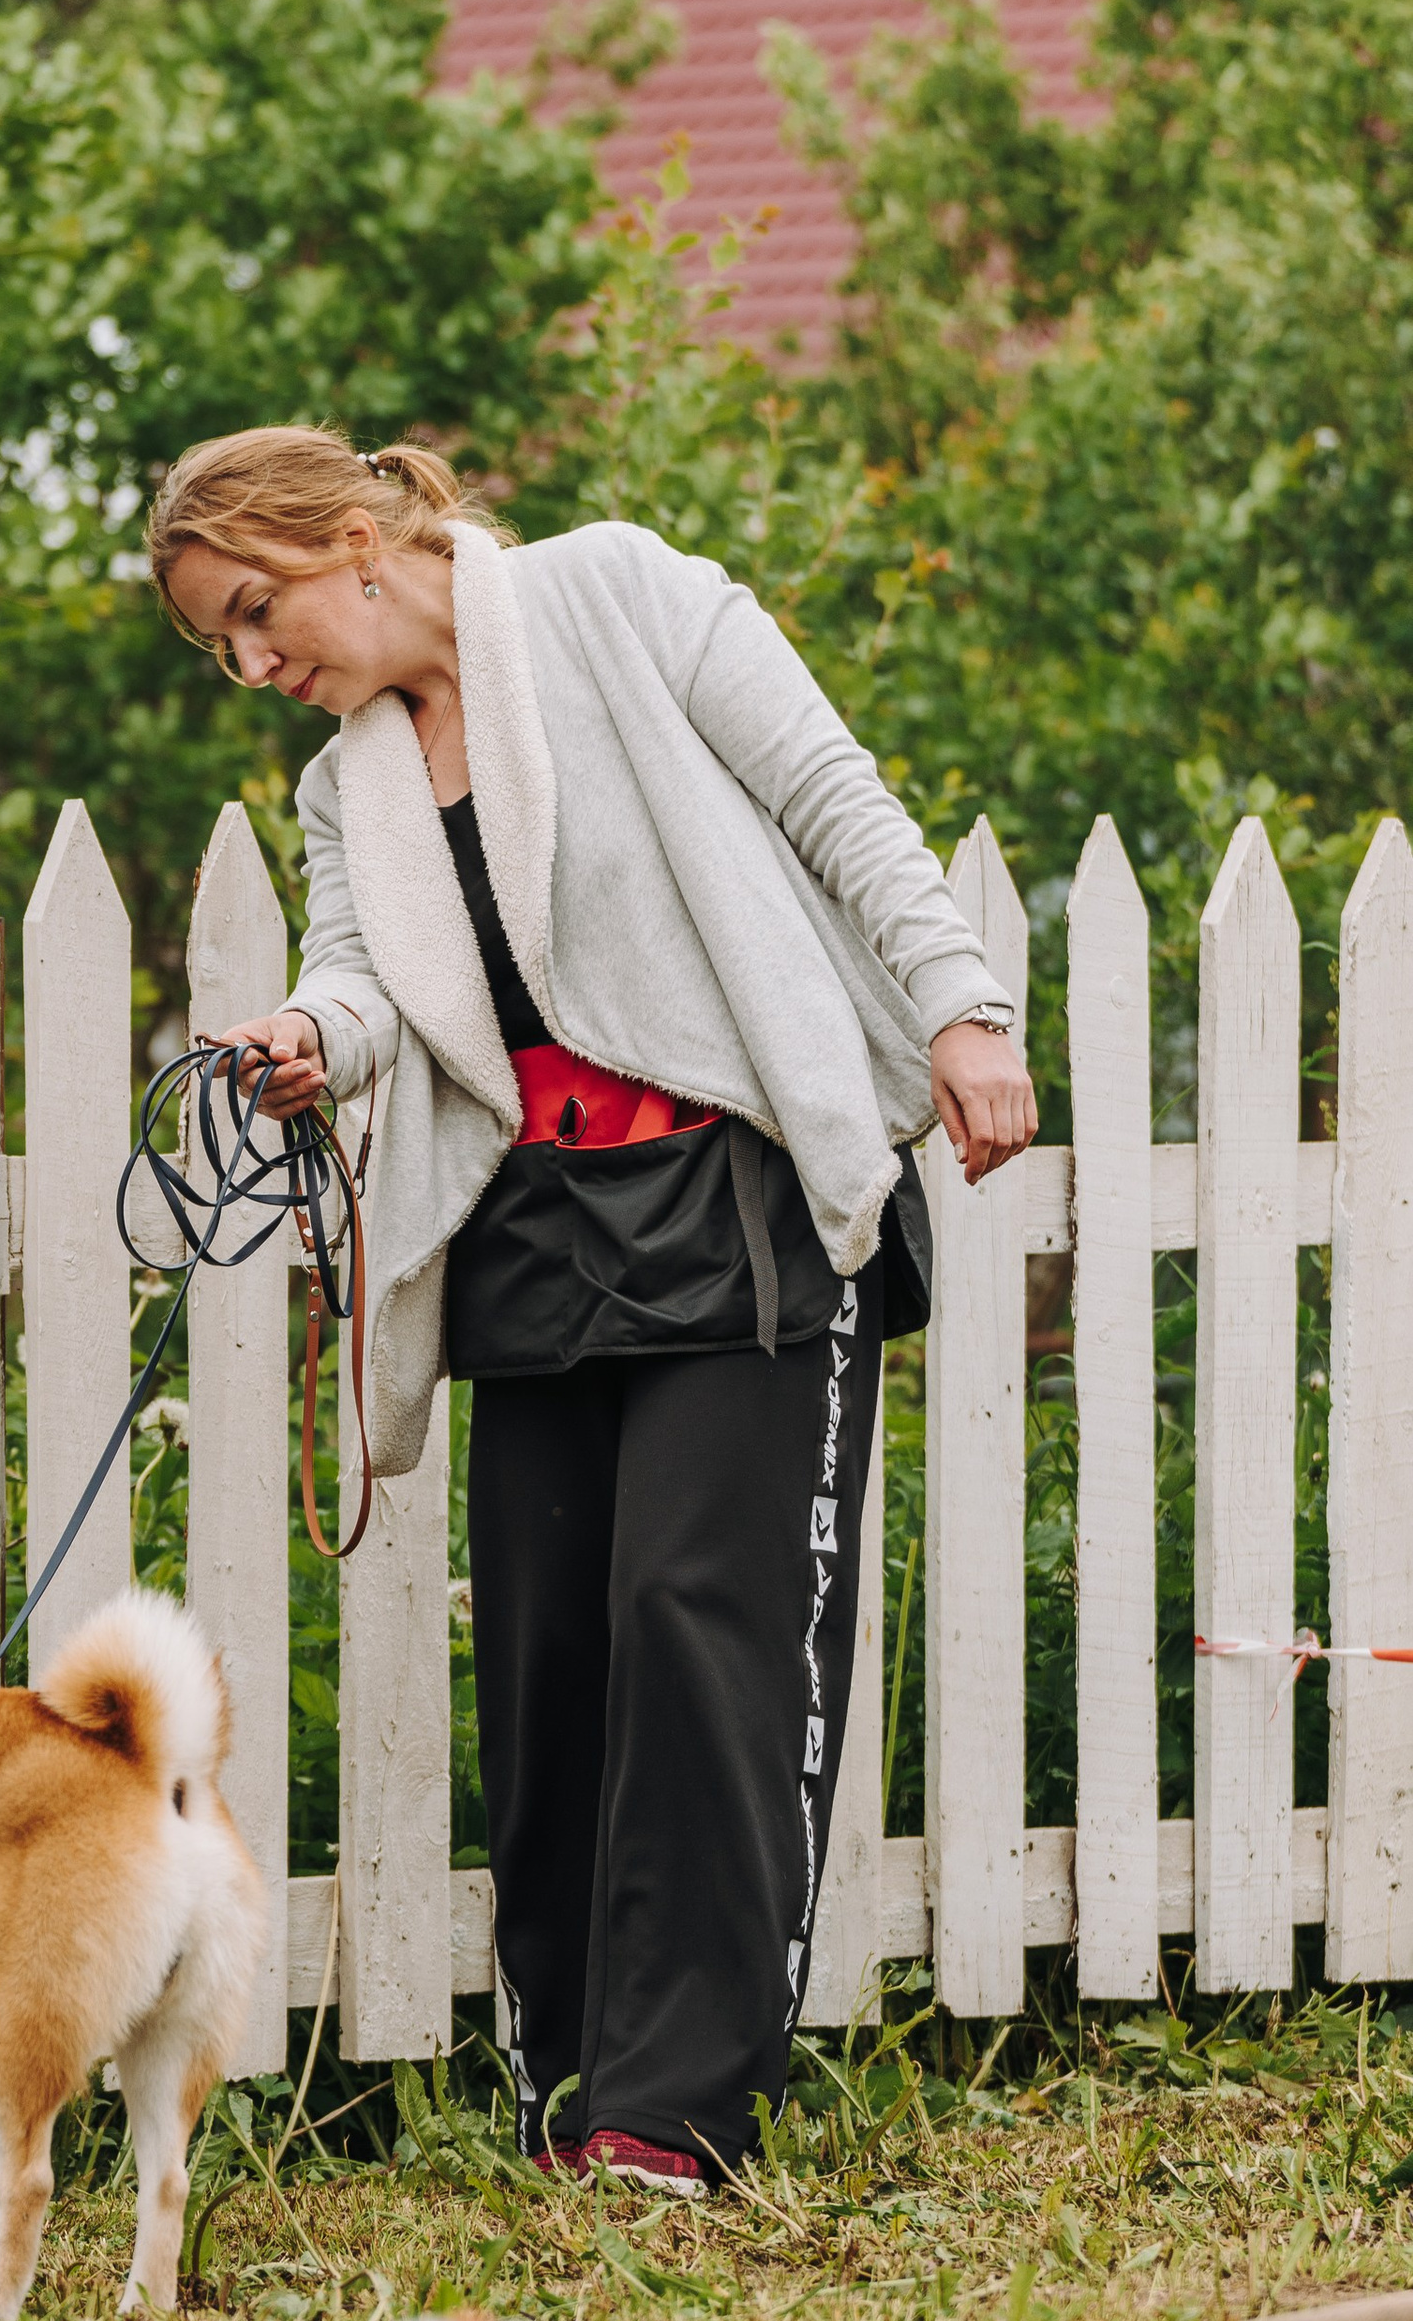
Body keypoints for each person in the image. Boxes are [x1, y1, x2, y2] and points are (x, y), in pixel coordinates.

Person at [147, 427, 1034, 2192]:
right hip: (531, 1235)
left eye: (256, 611)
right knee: (553, 1667)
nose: (256, 666)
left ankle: (672, 2115)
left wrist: (962, 1008)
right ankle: (575, 2084)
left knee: (702, 1637)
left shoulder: (618, 594)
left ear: (353, 536)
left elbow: (838, 802)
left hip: (742, 1201)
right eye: (224, 649)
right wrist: (317, 1039)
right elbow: (367, 972)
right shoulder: (348, 787)